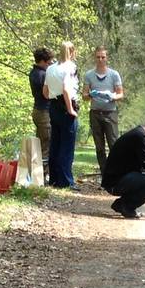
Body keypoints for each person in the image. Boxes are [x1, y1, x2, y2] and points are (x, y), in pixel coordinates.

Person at [101, 115, 145, 219]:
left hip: (121, 179)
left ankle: (122, 204)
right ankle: (127, 206)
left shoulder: (143, 136)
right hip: (115, 183)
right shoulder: (141, 137)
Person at [42, 41, 80, 191]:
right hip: (66, 106)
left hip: (53, 106)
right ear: (72, 52)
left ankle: (54, 179)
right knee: (67, 145)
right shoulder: (70, 67)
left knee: (55, 144)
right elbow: (66, 89)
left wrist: (53, 99)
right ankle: (66, 181)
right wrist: (70, 109)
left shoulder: (50, 68)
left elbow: (45, 92)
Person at [82, 45, 124, 174]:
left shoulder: (114, 74)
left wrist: (112, 96)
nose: (100, 59)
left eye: (103, 57)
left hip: (110, 113)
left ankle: (116, 172)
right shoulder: (89, 75)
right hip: (95, 113)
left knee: (113, 144)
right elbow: (84, 95)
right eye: (98, 57)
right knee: (99, 147)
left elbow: (120, 94)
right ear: (95, 58)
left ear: (107, 58)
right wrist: (91, 95)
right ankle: (104, 173)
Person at [29, 47, 53, 165]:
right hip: (44, 112)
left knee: (40, 143)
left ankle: (38, 173)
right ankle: (43, 175)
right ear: (42, 61)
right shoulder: (42, 75)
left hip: (38, 110)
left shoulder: (33, 72)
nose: (49, 65)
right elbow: (48, 94)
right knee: (46, 144)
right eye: (48, 63)